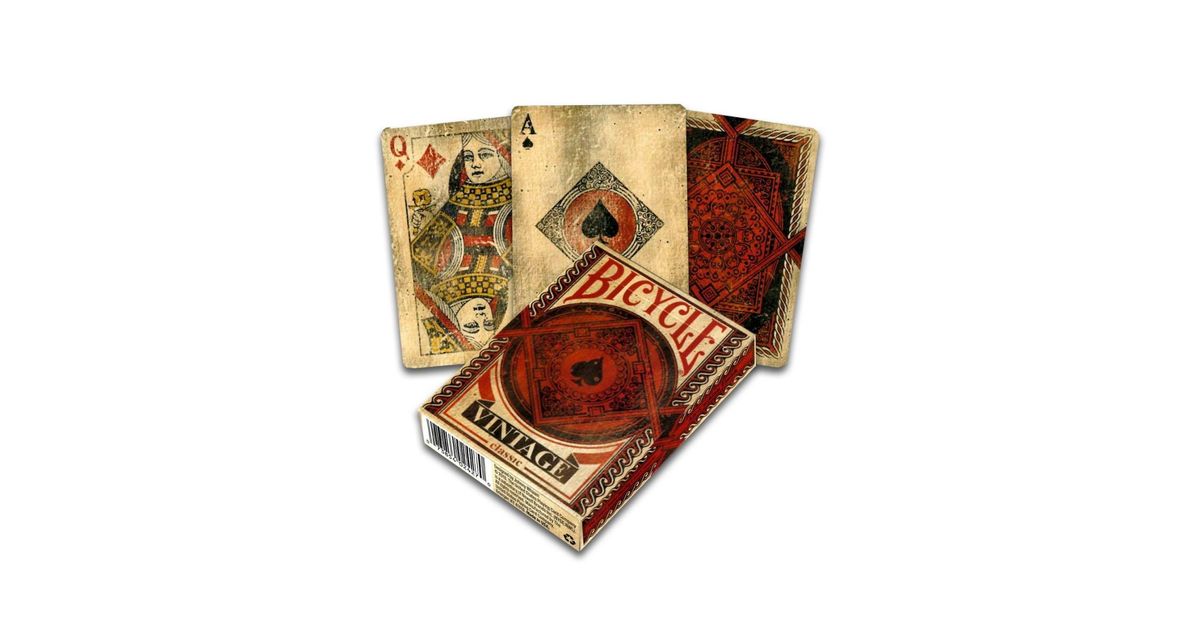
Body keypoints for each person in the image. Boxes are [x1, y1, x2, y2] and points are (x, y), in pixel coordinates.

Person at [410, 132, 512, 352]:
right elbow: (418, 264)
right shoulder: (454, 204)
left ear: (502, 158)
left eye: (485, 154)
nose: (475, 163)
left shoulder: (516, 205)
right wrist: (425, 226)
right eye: (468, 157)